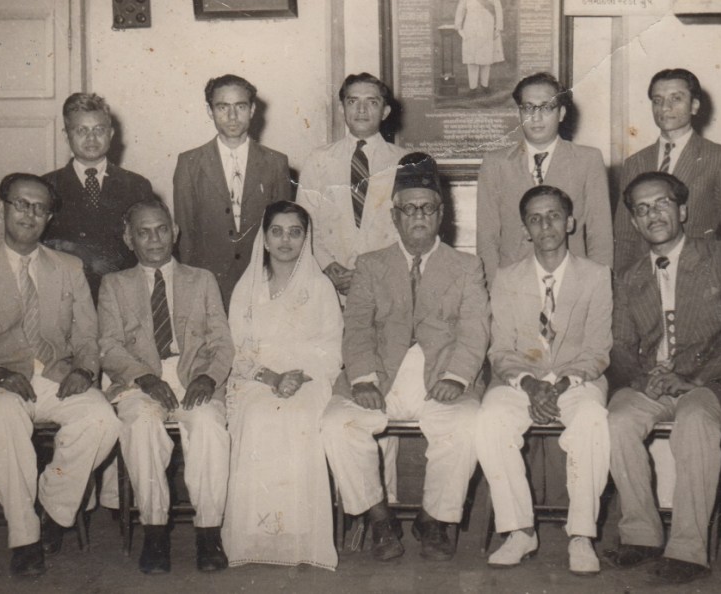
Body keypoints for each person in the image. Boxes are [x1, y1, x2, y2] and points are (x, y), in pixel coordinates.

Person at [0, 173, 119, 577]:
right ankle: (25, 537)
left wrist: (84, 368)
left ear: (50, 217)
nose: (30, 214)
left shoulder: (69, 268)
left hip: (58, 377)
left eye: (40, 208)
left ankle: (54, 509)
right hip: (0, 383)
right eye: (22, 204)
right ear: (2, 207)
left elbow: (88, 336)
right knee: (4, 420)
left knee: (102, 420)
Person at [321, 152, 489, 563]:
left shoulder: (466, 266)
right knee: (336, 424)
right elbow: (357, 327)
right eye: (409, 209)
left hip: (441, 379)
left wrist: (457, 377)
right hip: (380, 379)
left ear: (441, 214)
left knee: (466, 423)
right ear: (394, 216)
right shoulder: (371, 265)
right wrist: (362, 381)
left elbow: (475, 330)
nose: (418, 216)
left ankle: (433, 520)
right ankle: (380, 518)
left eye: (427, 208)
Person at [607, 171, 721, 585]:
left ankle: (689, 550)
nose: (652, 214)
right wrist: (642, 381)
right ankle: (641, 535)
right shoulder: (629, 276)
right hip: (652, 383)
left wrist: (693, 378)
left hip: (713, 381)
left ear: (682, 209)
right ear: (635, 224)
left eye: (661, 203)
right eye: (642, 209)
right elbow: (620, 344)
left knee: (694, 423)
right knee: (617, 421)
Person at [477, 185, 612, 576]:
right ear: (525, 229)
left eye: (553, 215)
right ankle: (519, 531)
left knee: (592, 420)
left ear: (570, 222)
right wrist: (529, 384)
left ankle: (582, 535)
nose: (545, 225)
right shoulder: (506, 278)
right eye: (535, 218)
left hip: (578, 379)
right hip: (522, 381)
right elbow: (500, 350)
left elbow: (599, 349)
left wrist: (565, 383)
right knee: (490, 419)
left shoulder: (596, 276)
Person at [98, 200, 234, 574]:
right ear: (129, 239)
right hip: (139, 380)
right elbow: (108, 346)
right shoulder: (114, 285)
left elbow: (222, 340)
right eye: (143, 232)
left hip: (195, 377)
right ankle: (154, 532)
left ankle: (209, 533)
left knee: (208, 427)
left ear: (174, 233)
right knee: (141, 426)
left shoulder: (201, 279)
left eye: (161, 230)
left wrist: (209, 376)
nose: (154, 239)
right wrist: (145, 378)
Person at [223, 201, 342, 570]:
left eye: (295, 232)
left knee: (300, 418)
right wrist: (272, 378)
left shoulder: (320, 287)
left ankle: (299, 534)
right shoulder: (248, 286)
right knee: (258, 417)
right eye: (277, 231)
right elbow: (237, 348)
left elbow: (331, 346)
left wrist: (297, 376)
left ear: (306, 238)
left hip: (307, 379)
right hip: (257, 378)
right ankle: (257, 535)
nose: (285, 240)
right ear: (265, 236)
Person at [476, 72, 613, 284]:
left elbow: (600, 236)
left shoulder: (588, 160)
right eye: (528, 107)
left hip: (573, 284)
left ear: (561, 113)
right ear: (519, 113)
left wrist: (598, 288)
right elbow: (487, 238)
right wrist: (495, 292)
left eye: (546, 107)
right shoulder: (495, 163)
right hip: (514, 287)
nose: (536, 117)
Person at [173, 74, 292, 309]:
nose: (232, 116)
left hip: (261, 281)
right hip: (209, 283)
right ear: (209, 110)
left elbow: (282, 232)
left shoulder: (276, 163)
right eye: (222, 107)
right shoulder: (189, 163)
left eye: (240, 106)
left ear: (252, 109)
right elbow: (185, 233)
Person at [613, 68, 721, 271]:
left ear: (694, 106)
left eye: (676, 98)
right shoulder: (634, 163)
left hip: (701, 273)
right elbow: (624, 236)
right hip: (645, 278)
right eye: (657, 100)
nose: (665, 107)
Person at [296, 73, 407, 296]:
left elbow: (406, 231)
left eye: (372, 102)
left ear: (385, 111)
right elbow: (304, 223)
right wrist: (327, 265)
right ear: (341, 108)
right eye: (353, 101)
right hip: (329, 284)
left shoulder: (404, 162)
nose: (361, 110)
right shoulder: (318, 160)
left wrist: (369, 273)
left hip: (385, 285)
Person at [42, 93, 155, 304]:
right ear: (66, 135)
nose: (91, 138)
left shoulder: (137, 186)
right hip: (66, 298)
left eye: (99, 130)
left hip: (123, 298)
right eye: (81, 130)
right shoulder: (46, 187)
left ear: (111, 134)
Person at [455, 0, 504, 95]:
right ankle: (472, 88)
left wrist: (498, 28)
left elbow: (498, 10)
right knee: (472, 61)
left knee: (486, 60)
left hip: (487, 30)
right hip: (471, 30)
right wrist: (459, 27)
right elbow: (460, 11)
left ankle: (485, 85)